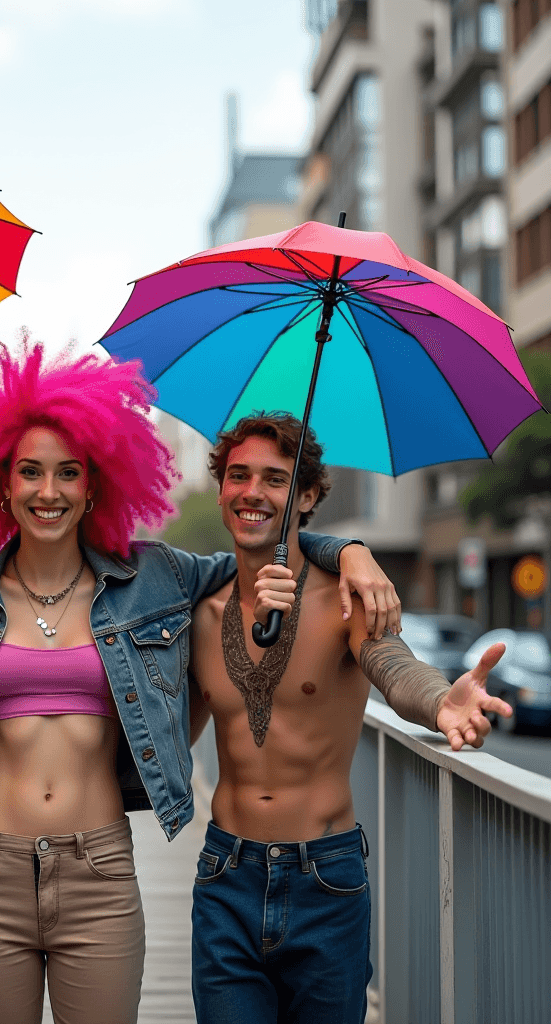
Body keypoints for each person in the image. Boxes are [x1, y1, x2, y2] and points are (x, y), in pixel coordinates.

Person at [0, 342, 401, 1024]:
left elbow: (254, 543)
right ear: (0, 483)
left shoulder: (156, 579)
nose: (48, 491)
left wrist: (349, 549)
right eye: (29, 472)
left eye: (68, 473)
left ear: (94, 486)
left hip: (100, 866)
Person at [188, 412, 511, 1024]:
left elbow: (393, 665)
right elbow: (176, 736)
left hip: (325, 882)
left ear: (307, 496)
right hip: (225, 875)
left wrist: (444, 701)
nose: (252, 492)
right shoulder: (202, 614)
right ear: (222, 488)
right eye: (238, 476)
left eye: (275, 480)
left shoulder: (345, 600)